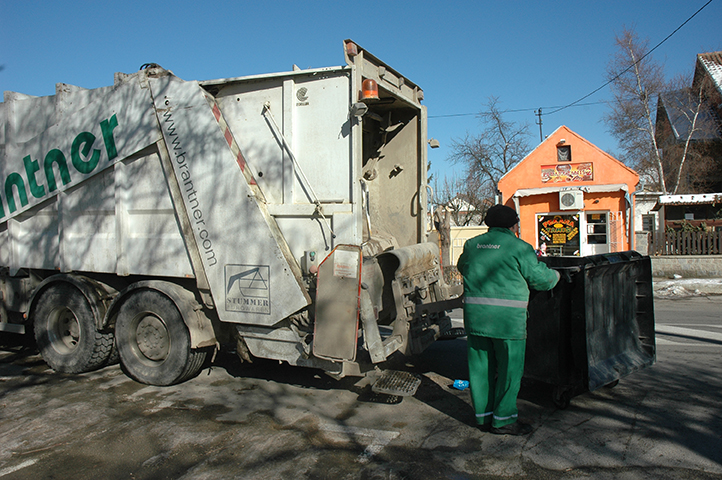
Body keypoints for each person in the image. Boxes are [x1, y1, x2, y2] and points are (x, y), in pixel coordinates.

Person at [457, 204, 560, 436]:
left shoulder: (472, 245)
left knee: (480, 370)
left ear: (488, 224)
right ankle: (503, 420)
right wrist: (556, 275)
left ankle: (483, 417)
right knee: (509, 371)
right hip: (507, 323)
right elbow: (541, 280)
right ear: (513, 225)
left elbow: (463, 266)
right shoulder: (520, 247)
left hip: (477, 319)